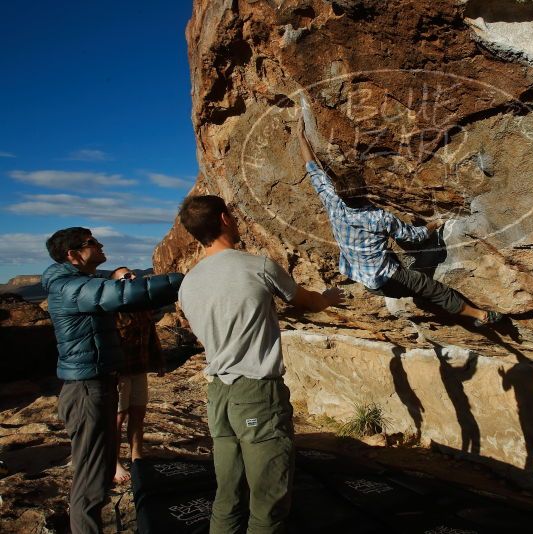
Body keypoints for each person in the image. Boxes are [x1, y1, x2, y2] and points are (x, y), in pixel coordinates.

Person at [177, 195, 344, 533]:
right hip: (255, 392)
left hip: (218, 395)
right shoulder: (257, 267)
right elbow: (305, 301)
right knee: (269, 500)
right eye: (233, 217)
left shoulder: (188, 283)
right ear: (224, 219)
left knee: (228, 496)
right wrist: (327, 298)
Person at [296, 116, 503, 327]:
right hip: (386, 279)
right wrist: (435, 224)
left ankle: (416, 293)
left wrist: (301, 137)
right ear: (366, 193)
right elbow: (415, 237)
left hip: (362, 276)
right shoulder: (379, 218)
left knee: (404, 273)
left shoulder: (333, 202)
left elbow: (312, 168)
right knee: (432, 288)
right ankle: (481, 316)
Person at [42, 227, 183, 534]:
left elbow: (112, 284)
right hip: (85, 390)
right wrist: (185, 279)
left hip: (98, 384)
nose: (101, 243)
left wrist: (114, 273)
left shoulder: (78, 281)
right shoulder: (69, 287)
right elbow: (127, 294)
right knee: (91, 480)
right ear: (74, 254)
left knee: (100, 471)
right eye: (92, 242)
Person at [109, 266, 165, 484]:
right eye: (126, 276)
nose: (133, 277)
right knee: (118, 417)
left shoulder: (142, 306)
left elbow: (152, 334)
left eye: (133, 274)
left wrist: (158, 361)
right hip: (120, 372)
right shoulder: (112, 308)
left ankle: (137, 456)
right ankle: (113, 462)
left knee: (138, 413)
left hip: (139, 368)